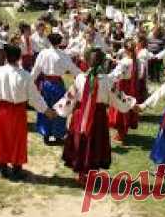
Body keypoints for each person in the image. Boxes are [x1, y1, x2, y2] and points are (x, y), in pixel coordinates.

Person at [54, 48, 137, 185]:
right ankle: (92, 172)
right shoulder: (107, 81)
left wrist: (59, 109)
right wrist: (132, 104)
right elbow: (119, 97)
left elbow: (70, 97)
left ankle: (81, 173)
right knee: (95, 142)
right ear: (103, 63)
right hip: (98, 117)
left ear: (87, 62)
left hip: (80, 116)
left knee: (80, 141)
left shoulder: (80, 78)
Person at [0, 44, 57, 180]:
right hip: (18, 111)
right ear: (19, 58)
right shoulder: (25, 76)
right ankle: (16, 168)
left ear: (6, 57)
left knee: (2, 137)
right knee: (17, 139)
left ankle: (2, 168)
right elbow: (34, 97)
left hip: (2, 110)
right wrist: (46, 110)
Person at [31, 33, 81, 144]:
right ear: (60, 42)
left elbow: (36, 70)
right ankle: (57, 135)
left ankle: (46, 134)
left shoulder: (43, 53)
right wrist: (82, 76)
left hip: (46, 84)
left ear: (49, 41)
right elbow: (74, 69)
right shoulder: (63, 55)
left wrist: (30, 81)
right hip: (57, 85)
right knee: (59, 108)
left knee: (45, 107)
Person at [108, 39, 144, 143]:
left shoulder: (125, 61)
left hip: (123, 85)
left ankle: (121, 134)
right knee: (128, 107)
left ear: (126, 50)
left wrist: (107, 77)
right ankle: (124, 131)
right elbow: (140, 74)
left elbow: (116, 75)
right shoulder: (137, 61)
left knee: (121, 108)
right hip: (132, 86)